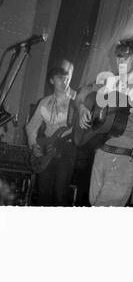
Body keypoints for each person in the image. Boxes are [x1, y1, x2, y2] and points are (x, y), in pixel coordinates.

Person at [76, 38, 133, 207]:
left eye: (126, 57)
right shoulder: (110, 82)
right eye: (118, 57)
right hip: (100, 153)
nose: (120, 61)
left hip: (124, 158)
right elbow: (81, 93)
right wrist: (82, 108)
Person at [26, 64, 76, 206]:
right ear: (52, 80)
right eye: (60, 78)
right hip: (46, 149)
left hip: (66, 149)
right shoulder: (44, 102)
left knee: (60, 193)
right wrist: (34, 145)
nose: (64, 82)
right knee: (43, 192)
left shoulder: (76, 101)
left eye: (67, 78)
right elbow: (31, 127)